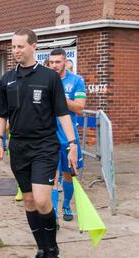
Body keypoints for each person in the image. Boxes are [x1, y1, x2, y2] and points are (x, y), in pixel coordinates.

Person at [0, 29, 78, 258]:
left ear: (34, 46)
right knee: (29, 201)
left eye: (20, 46)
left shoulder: (49, 77)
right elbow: (1, 114)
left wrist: (72, 144)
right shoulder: (7, 78)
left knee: (42, 200)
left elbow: (62, 113)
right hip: (18, 146)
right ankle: (41, 250)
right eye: (13, 47)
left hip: (45, 145)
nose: (16, 51)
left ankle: (53, 252)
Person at [48, 48, 86, 222]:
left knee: (69, 174)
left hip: (69, 136)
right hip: (49, 136)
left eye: (58, 62)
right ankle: (54, 213)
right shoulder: (45, 81)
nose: (54, 65)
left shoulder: (76, 80)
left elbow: (79, 107)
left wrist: (59, 96)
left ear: (65, 62)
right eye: (51, 62)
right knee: (53, 176)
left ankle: (66, 205)